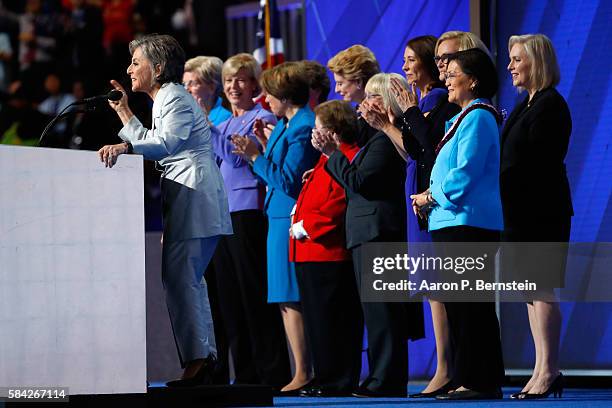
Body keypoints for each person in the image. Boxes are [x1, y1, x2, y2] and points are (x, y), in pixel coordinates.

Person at [96, 34, 232, 386]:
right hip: (190, 199)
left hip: (195, 198)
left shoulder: (174, 97)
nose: (129, 69)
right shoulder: (166, 99)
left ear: (157, 68)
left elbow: (165, 144)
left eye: (136, 62)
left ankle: (200, 362)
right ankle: (205, 359)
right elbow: (157, 141)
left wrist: (125, 146)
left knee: (181, 281)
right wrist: (125, 111)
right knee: (187, 281)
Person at [314, 72, 424, 398]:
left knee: (384, 311)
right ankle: (379, 376)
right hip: (368, 232)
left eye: (374, 97)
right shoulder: (375, 139)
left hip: (379, 232)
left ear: (387, 102)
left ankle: (386, 379)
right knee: (376, 311)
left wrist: (333, 153)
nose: (366, 103)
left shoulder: (385, 142)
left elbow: (359, 182)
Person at [411, 48, 505, 400]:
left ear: (473, 80)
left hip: (468, 222)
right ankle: (470, 376)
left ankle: (480, 379)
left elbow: (465, 172)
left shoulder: (480, 116)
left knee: (471, 306)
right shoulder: (462, 118)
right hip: (451, 221)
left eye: (452, 75)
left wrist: (428, 197)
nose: (446, 80)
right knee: (459, 304)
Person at [231, 61, 320, 394]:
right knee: (284, 297)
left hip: (290, 218)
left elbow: (287, 180)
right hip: (278, 217)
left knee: (291, 296)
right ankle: (302, 370)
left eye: (268, 93)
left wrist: (257, 157)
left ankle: (304, 372)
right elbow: (278, 169)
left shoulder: (302, 125)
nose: (263, 99)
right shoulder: (287, 124)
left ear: (284, 94)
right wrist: (263, 150)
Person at [209, 53, 291, 387]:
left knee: (253, 296)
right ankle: (244, 374)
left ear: (255, 84)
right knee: (231, 301)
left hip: (248, 213)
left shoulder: (262, 116)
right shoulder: (225, 124)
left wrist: (202, 127)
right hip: (223, 215)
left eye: (241, 80)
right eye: (228, 80)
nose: (233, 86)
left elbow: (235, 155)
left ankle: (271, 373)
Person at [502, 34, 571, 400]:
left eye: (517, 59)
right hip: (518, 213)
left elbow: (539, 164)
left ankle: (550, 370)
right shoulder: (524, 104)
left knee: (541, 289)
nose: (510, 66)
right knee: (530, 292)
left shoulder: (551, 105)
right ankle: (540, 368)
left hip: (542, 211)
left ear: (537, 62)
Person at [291, 100, 363, 397]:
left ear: (333, 131)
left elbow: (339, 204)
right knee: (318, 322)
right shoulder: (325, 159)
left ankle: (338, 380)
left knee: (333, 322)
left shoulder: (348, 156)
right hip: (309, 252)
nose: (314, 133)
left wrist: (308, 226)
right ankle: (325, 378)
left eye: (319, 127)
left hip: (327, 251)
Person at [327, 44, 380, 147]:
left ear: (358, 81)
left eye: (340, 83)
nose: (336, 90)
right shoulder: (358, 112)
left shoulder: (376, 116)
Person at [183, 55, 231, 126]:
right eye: (184, 84)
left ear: (212, 87)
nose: (186, 89)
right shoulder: (184, 115)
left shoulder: (226, 119)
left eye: (193, 83)